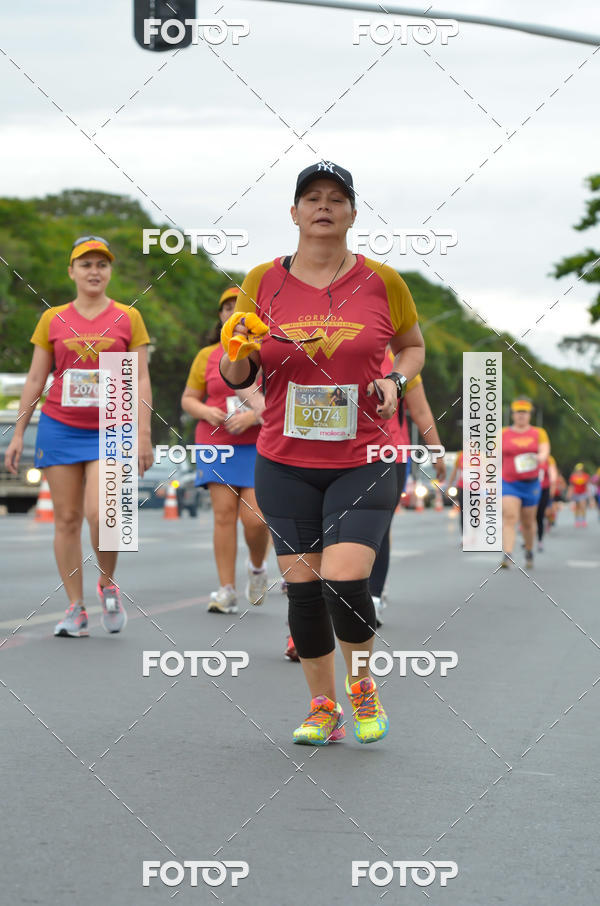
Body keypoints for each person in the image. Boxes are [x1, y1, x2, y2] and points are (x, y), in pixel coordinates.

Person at [220, 161, 425, 746]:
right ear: (294, 213)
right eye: (311, 197)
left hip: (365, 455)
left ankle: (362, 686)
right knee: (304, 588)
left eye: (337, 198)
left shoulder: (384, 282)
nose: (324, 206)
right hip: (285, 458)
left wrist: (396, 382)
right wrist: (237, 353)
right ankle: (322, 706)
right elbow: (241, 370)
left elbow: (411, 348)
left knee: (344, 578)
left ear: (353, 213)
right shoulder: (261, 280)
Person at [4, 236, 153, 636]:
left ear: (110, 272)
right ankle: (75, 606)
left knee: (103, 515)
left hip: (112, 427)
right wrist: (18, 433)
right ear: (72, 271)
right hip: (60, 427)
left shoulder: (127, 317)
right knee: (66, 519)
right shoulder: (52, 318)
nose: (94, 271)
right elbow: (37, 377)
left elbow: (139, 377)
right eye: (85, 264)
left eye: (101, 265)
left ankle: (107, 583)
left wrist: (144, 434)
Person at [182, 287, 270, 614]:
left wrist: (253, 415)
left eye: (241, 308)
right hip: (216, 444)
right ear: (221, 317)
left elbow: (284, 397)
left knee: (256, 520)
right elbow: (189, 399)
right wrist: (205, 412)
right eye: (227, 308)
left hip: (259, 444)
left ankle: (258, 568)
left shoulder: (267, 351)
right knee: (223, 516)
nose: (234, 312)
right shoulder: (207, 356)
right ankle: (226, 589)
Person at [369, 361, 446, 626]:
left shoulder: (403, 363)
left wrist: (436, 451)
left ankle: (374, 598)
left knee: (379, 526)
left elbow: (421, 411)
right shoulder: (339, 344)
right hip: (343, 453)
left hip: (391, 454)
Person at [500, 398, 549, 571]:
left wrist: (539, 457)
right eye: (518, 412)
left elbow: (544, 451)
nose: (521, 415)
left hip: (531, 484)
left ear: (530, 414)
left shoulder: (538, 432)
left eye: (524, 412)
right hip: (508, 482)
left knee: (528, 522)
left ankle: (529, 550)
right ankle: (508, 553)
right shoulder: (503, 433)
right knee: (510, 516)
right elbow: (492, 454)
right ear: (513, 414)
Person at [536, 454, 557, 551]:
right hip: (531, 489)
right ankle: (528, 540)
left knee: (541, 515)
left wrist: (552, 488)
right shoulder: (530, 455)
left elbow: (553, 475)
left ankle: (540, 540)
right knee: (530, 515)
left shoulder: (549, 458)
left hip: (544, 490)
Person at [568, 462, 590, 528]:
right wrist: (569, 493)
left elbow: (587, 485)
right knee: (577, 508)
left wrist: (588, 494)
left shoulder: (585, 476)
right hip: (576, 493)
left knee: (583, 506)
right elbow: (571, 486)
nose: (579, 471)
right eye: (578, 470)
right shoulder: (573, 477)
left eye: (580, 470)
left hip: (583, 493)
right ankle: (577, 520)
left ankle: (583, 520)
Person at [447, 450, 464, 532]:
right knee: (463, 513)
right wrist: (449, 485)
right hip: (462, 488)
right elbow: (454, 472)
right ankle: (464, 536)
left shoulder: (480, 456)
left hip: (476, 490)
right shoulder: (460, 455)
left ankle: (474, 534)